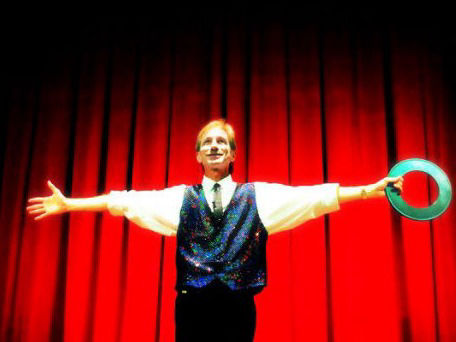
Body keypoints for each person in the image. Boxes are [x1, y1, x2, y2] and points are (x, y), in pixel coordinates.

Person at [27, 119, 403, 342]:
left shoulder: (260, 197)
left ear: (233, 154)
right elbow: (122, 201)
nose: (214, 146)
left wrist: (370, 190)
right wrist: (71, 204)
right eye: (207, 142)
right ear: (198, 155)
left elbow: (317, 198)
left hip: (239, 307)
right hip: (192, 306)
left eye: (221, 142)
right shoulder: (179, 199)